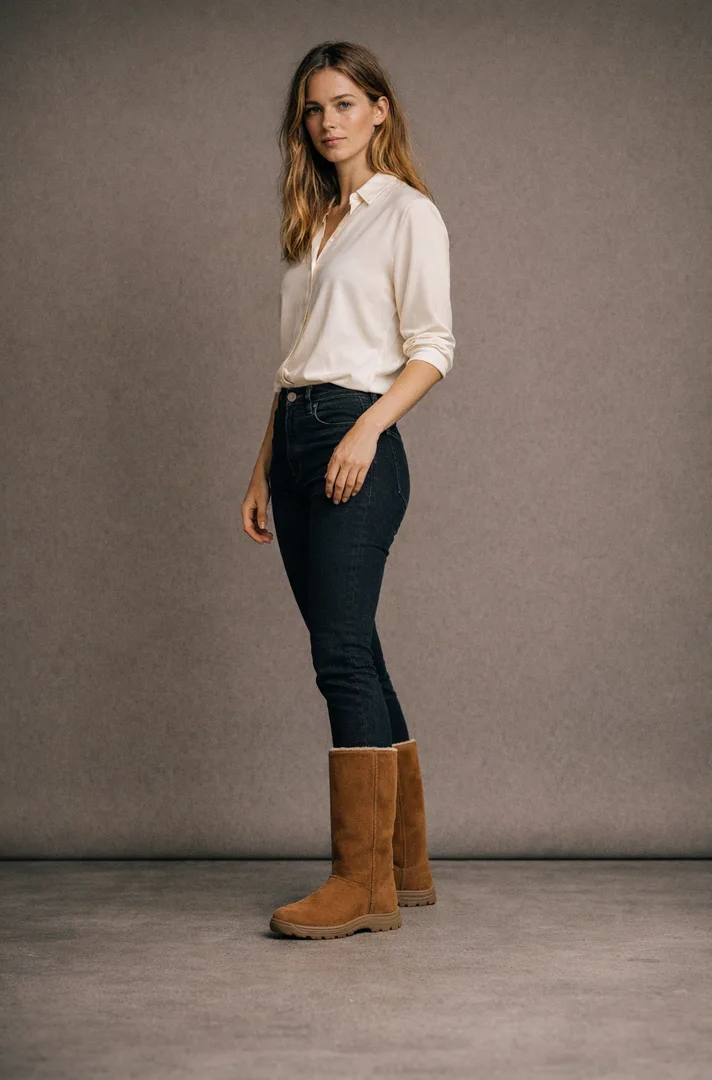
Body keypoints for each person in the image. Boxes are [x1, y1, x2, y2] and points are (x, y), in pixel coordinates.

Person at [241, 41, 455, 940]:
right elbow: (295, 363)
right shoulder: (314, 225)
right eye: (313, 108)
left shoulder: (407, 213)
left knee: (338, 655)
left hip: (354, 433)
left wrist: (366, 430)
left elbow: (433, 348)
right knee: (356, 646)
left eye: (342, 103)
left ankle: (361, 883)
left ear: (378, 110)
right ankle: (405, 865)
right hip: (296, 438)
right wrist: (262, 467)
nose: (327, 122)